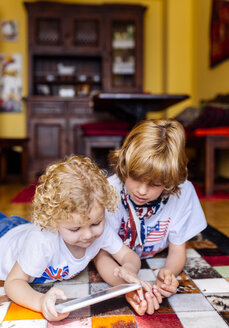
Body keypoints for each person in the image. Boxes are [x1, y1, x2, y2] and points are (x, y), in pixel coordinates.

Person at [1, 155, 155, 321]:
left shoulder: (100, 230)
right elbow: (13, 283)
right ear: (53, 221)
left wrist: (129, 270)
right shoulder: (42, 240)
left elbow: (128, 255)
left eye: (96, 223)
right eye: (75, 229)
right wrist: (40, 302)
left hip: (21, 230)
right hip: (5, 235)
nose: (89, 235)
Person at [94, 119, 207, 315]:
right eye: (135, 177)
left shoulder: (183, 192)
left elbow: (177, 250)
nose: (142, 191)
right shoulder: (107, 192)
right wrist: (126, 286)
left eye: (155, 184)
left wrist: (169, 274)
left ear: (171, 181)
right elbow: (100, 255)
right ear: (125, 165)